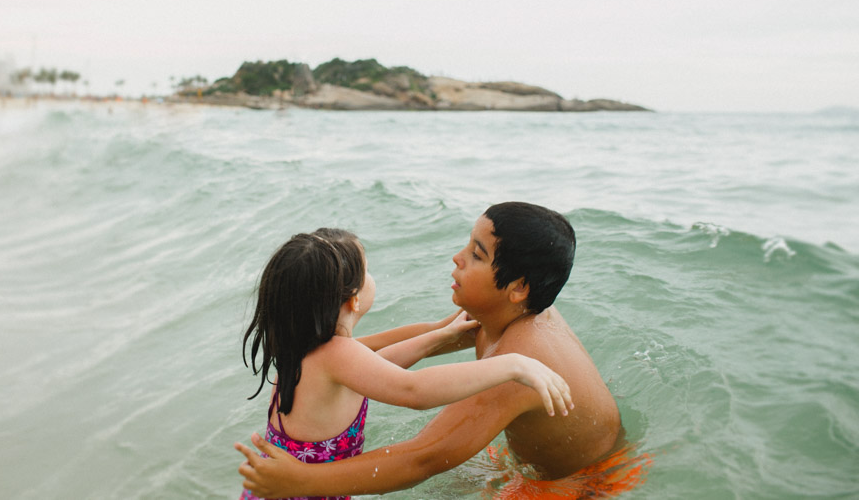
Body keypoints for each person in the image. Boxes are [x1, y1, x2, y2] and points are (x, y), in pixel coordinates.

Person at [236, 203, 629, 497]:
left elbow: (421, 458)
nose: (456, 258)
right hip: (542, 463)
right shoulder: (505, 312)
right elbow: (375, 362)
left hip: (582, 486)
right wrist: (437, 337)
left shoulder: (522, 360)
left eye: (476, 254)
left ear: (518, 287)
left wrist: (301, 479)